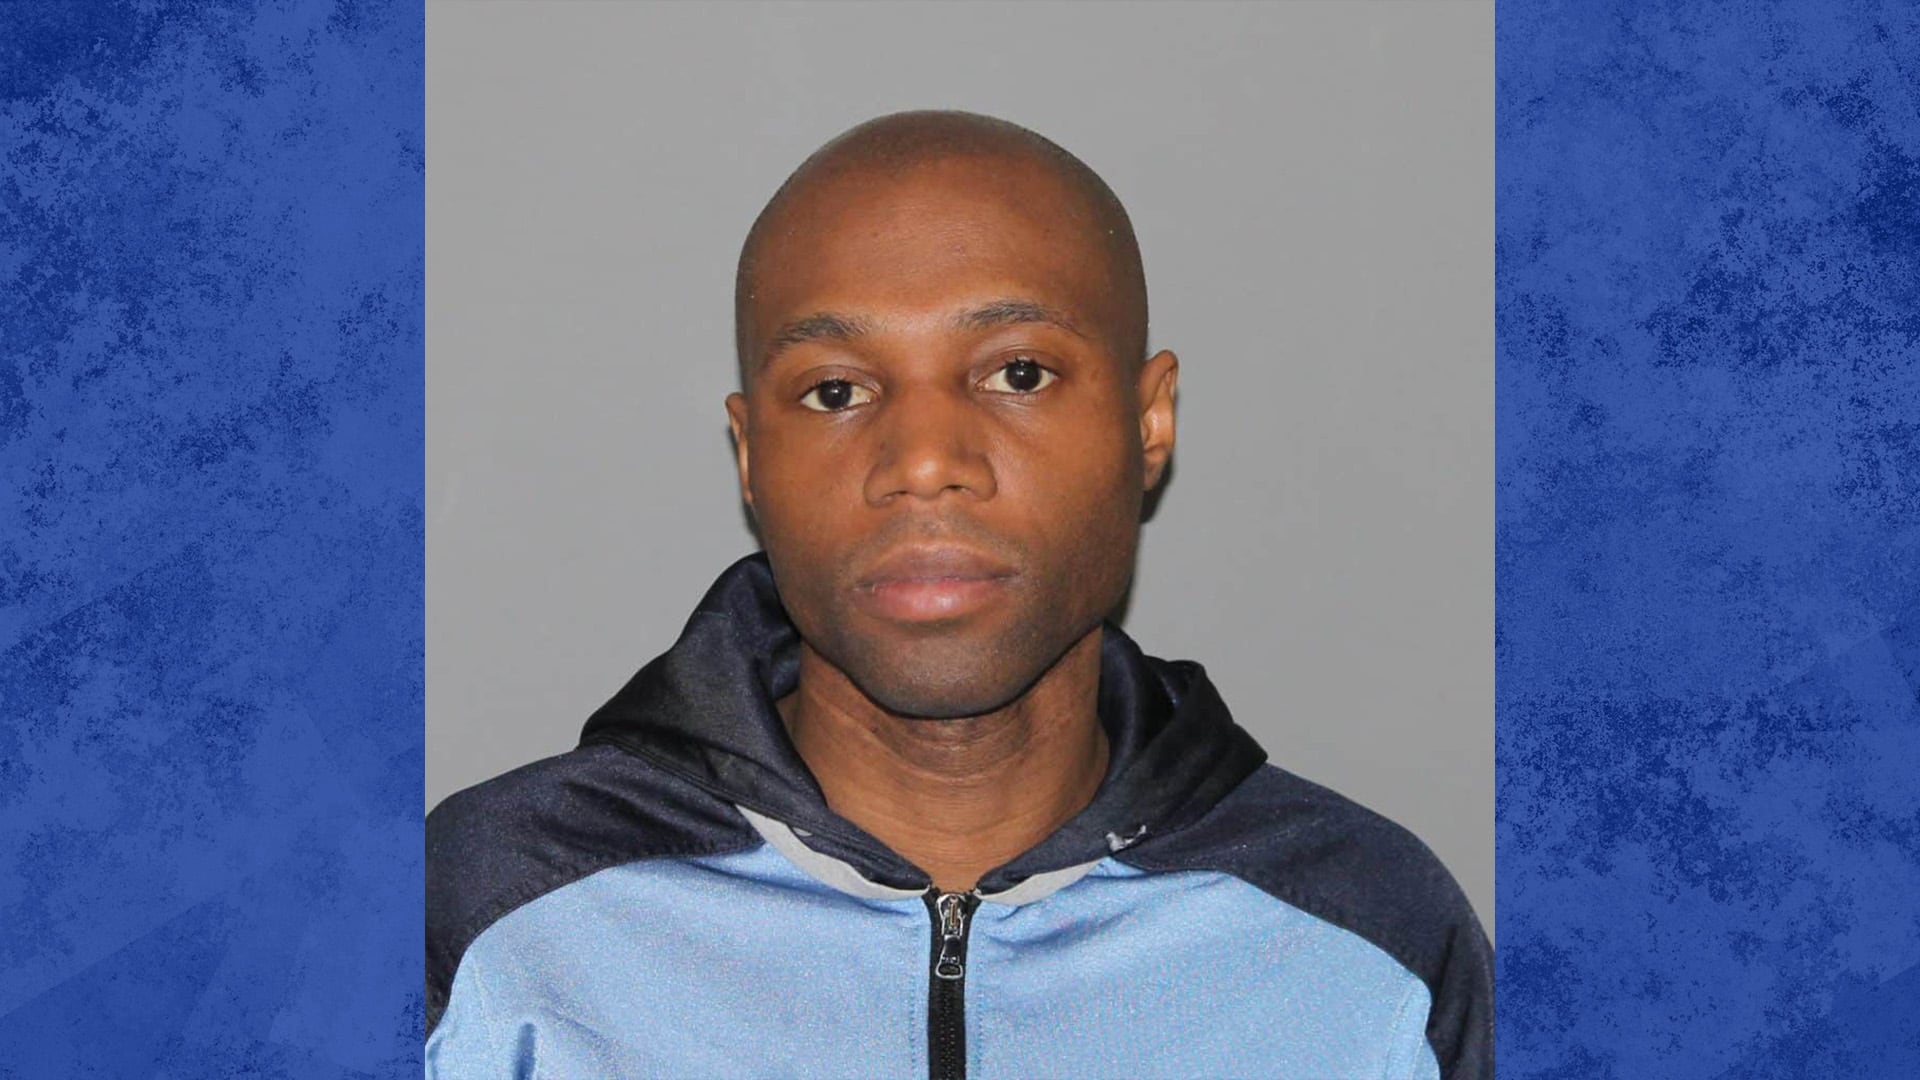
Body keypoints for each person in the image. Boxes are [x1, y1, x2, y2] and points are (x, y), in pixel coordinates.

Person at [426, 109, 1492, 1079]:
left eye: (1018, 373)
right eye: (835, 391)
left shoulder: (1374, 946)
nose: (925, 461)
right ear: (751, 457)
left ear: (1148, 424)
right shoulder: (492, 923)